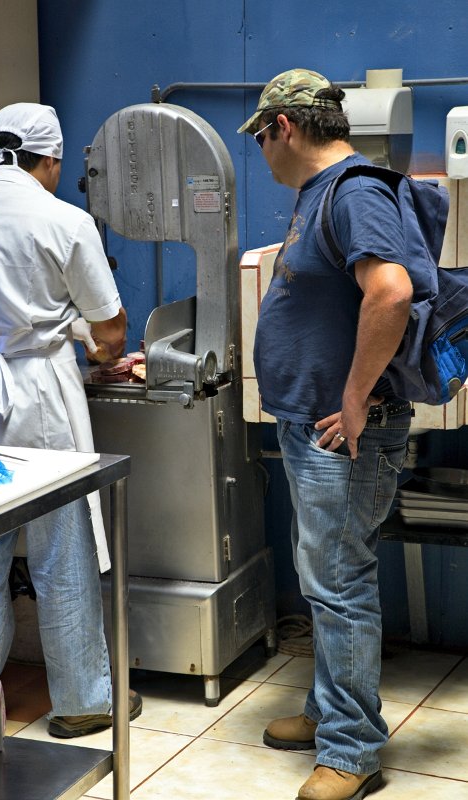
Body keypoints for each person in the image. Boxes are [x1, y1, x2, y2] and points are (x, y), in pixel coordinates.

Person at [0, 102, 142, 738]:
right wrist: (100, 349)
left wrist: (63, 330)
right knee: (62, 547)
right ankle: (82, 700)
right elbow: (111, 329)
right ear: (49, 160)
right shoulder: (64, 219)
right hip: (38, 399)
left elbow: (9, 315)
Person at [238, 70, 414, 800]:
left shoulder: (354, 190)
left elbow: (392, 290)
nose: (263, 154)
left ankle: (351, 751)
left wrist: (352, 396)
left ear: (282, 127)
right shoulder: (320, 196)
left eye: (261, 139)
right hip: (314, 431)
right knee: (325, 580)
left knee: (339, 586)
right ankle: (327, 712)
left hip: (345, 435)